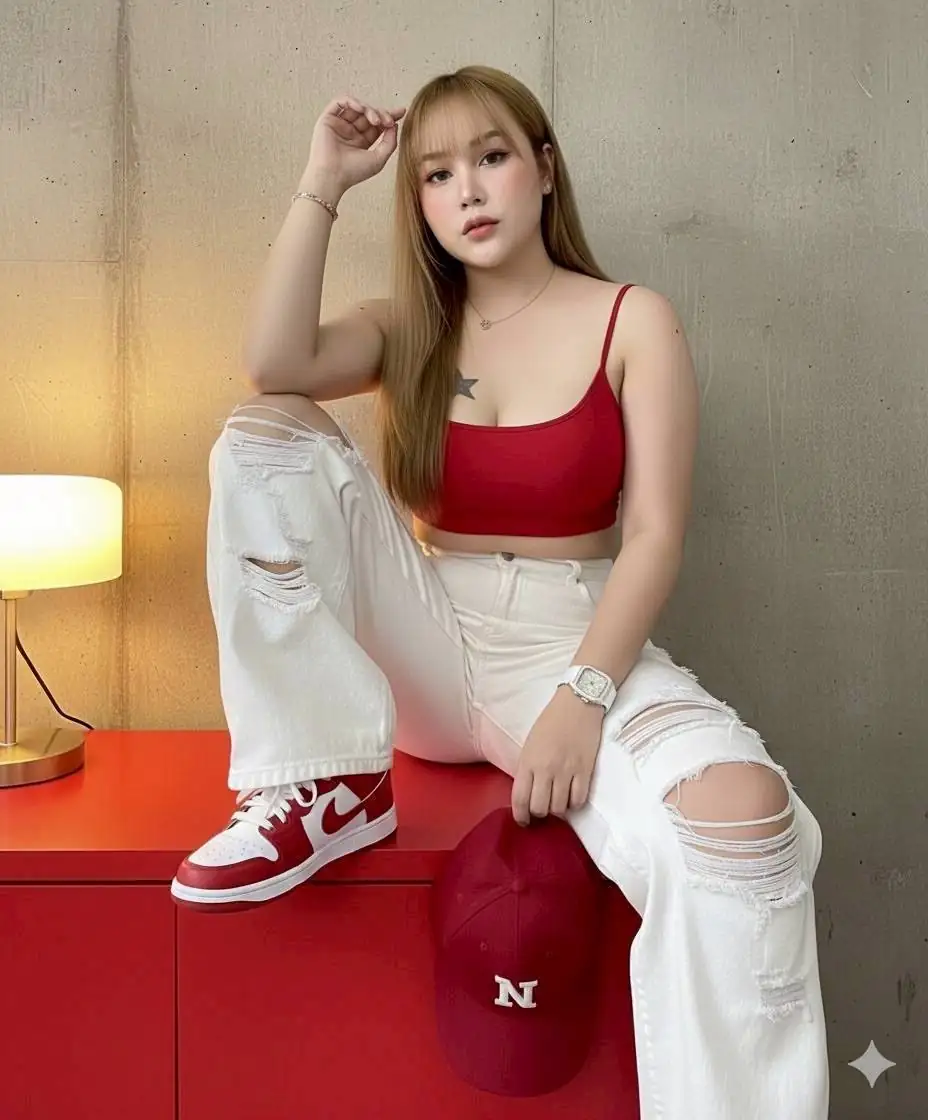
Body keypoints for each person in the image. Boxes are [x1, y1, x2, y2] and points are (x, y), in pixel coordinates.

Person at [171, 65, 829, 1117]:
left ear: (545, 170)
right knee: (265, 435)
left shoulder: (633, 321)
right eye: (436, 175)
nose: (467, 191)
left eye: (491, 158)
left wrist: (585, 694)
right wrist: (322, 182)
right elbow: (273, 362)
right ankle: (324, 784)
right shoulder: (409, 327)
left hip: (573, 641)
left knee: (746, 825)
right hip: (427, 632)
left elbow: (655, 537)